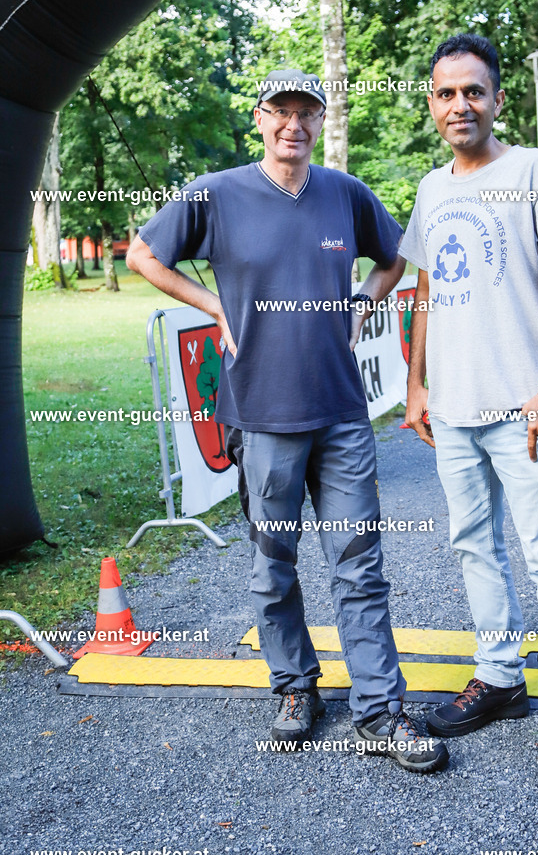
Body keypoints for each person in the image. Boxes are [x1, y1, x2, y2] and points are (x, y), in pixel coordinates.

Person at [127, 68, 448, 774]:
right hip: (261, 415)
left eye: (306, 112)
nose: (293, 124)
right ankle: (296, 686)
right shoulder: (217, 193)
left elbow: (396, 258)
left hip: (340, 414)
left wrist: (363, 300)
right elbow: (143, 254)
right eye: (281, 111)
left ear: (317, 120)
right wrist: (214, 309)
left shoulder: (344, 192)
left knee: (359, 565)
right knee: (273, 568)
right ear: (260, 117)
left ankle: (381, 710)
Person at [400, 35, 538, 784]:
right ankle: (500, 675)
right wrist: (416, 386)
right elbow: (424, 291)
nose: (461, 104)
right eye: (446, 93)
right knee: (473, 546)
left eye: (474, 91)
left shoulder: (534, 170)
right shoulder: (431, 189)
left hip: (525, 408)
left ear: (496, 99)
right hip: (451, 408)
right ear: (432, 103)